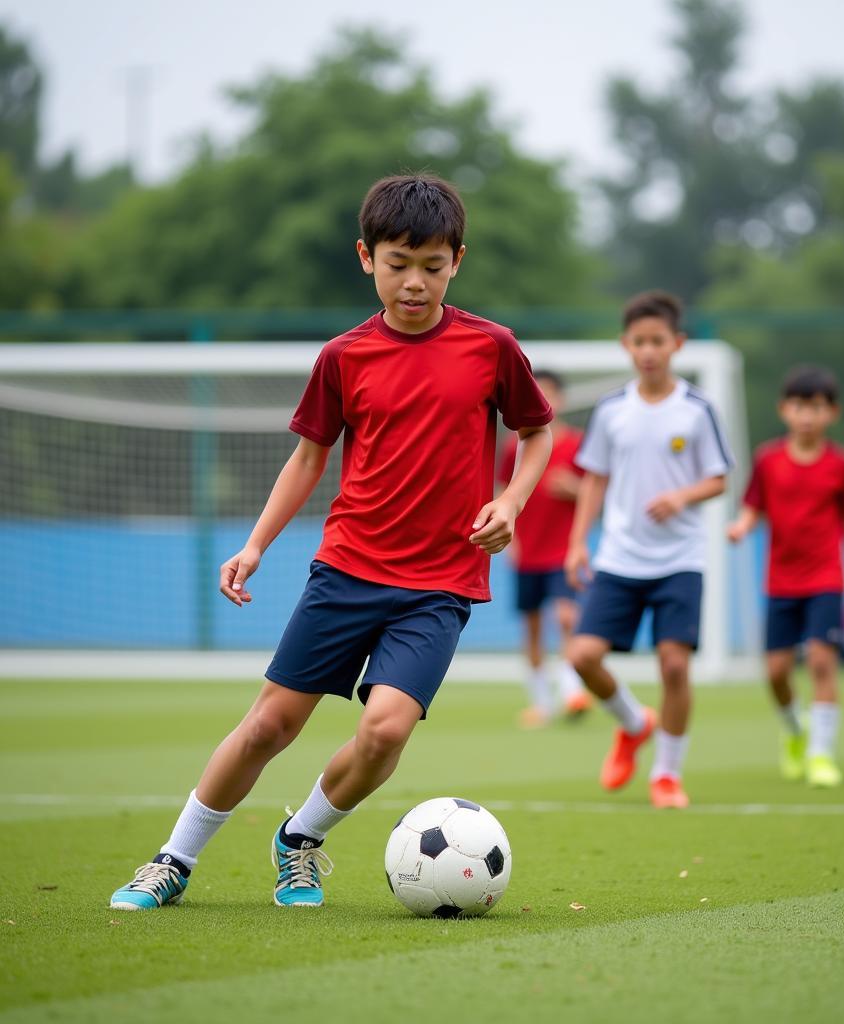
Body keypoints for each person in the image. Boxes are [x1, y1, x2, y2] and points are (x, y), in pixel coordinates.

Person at [109, 174, 553, 910]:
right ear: (365, 257)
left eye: (432, 267)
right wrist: (255, 546)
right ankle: (171, 861)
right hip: (347, 570)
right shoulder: (343, 356)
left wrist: (510, 498)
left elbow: (536, 433)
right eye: (397, 264)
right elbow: (308, 458)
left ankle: (300, 840)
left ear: (457, 262)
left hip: (441, 584)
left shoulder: (491, 347)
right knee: (268, 726)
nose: (414, 283)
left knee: (384, 732)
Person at [565, 291, 734, 809]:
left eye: (658, 341)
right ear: (626, 345)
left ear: (677, 344)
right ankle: (635, 724)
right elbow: (593, 480)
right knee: (581, 656)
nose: (648, 351)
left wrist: (682, 495)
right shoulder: (613, 410)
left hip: (680, 559)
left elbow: (719, 479)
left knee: (675, 666)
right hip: (619, 558)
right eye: (639, 342)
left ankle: (666, 774)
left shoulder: (697, 410)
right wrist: (577, 543)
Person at [727, 366, 844, 788]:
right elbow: (754, 505)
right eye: (800, 406)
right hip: (781, 581)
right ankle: (795, 733)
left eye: (817, 407)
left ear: (832, 413)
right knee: (777, 672)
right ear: (785, 410)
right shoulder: (768, 458)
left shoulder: (841, 464)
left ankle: (822, 755)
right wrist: (742, 525)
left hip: (826, 577)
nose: (807, 415)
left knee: (823, 662)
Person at [497, 369, 591, 727]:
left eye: (550, 392)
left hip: (563, 551)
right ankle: (541, 703)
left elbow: (597, 494)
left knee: (567, 617)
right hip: (528, 552)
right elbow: (503, 491)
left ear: (562, 399)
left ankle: (573, 693)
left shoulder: (578, 444)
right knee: (532, 627)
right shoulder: (515, 447)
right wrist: (512, 541)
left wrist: (576, 489)